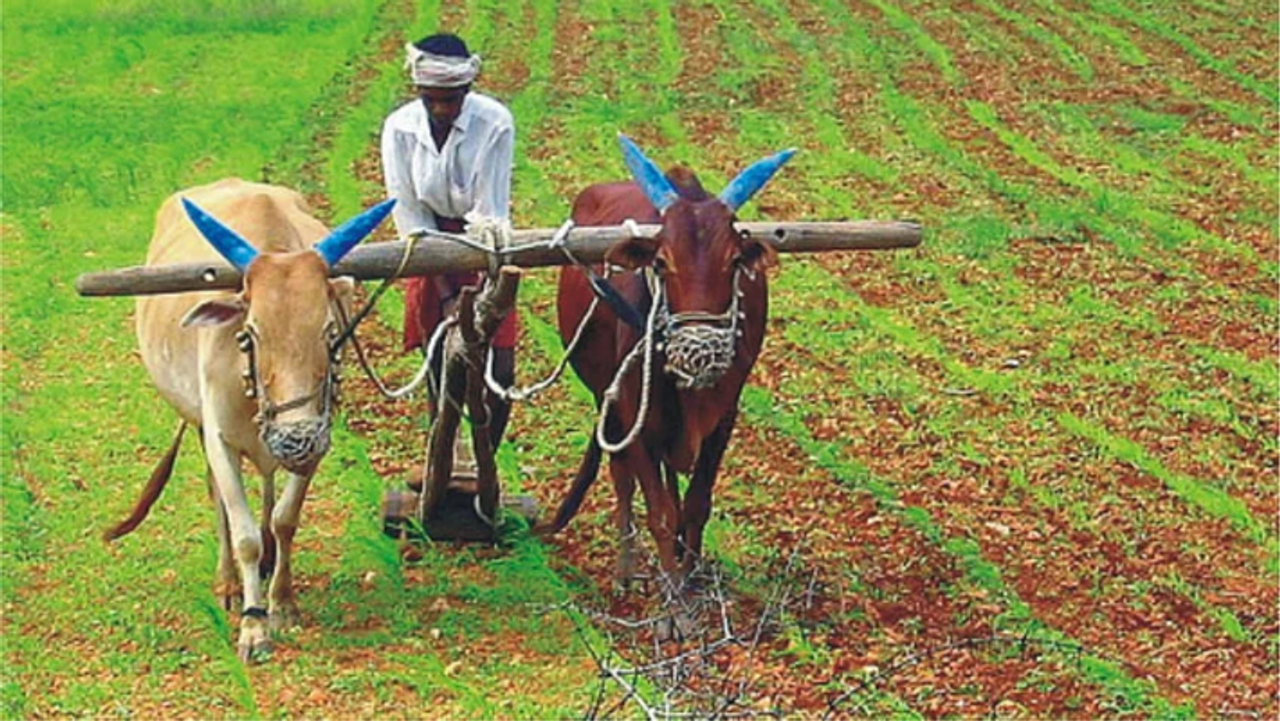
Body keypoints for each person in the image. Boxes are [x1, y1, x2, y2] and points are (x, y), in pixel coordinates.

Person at [380, 32, 517, 450]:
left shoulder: (494, 122)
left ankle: (484, 458)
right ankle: (443, 451)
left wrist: (479, 294)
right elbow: (409, 212)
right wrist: (443, 295)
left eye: (451, 99)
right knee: (441, 356)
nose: (441, 108)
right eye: (432, 99)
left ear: (467, 89)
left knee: (500, 366)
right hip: (427, 246)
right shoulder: (400, 128)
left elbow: (489, 211)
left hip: (484, 243)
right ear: (419, 91)